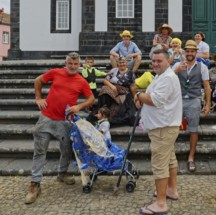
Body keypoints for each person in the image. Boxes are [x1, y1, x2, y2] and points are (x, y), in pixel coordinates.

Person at [25, 52, 95, 204]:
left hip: (65, 121)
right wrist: (38, 98)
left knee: (66, 150)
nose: (73, 66)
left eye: (76, 64)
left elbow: (91, 98)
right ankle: (35, 184)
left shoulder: (81, 81)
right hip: (46, 119)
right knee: (40, 151)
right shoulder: (56, 72)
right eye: (70, 63)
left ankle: (62, 173)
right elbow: (38, 80)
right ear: (66, 63)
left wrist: (79, 106)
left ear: (79, 65)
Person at [135, 49, 182, 215]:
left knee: (159, 164)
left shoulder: (168, 78)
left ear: (168, 60)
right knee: (169, 159)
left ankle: (161, 203)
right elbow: (152, 94)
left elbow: (155, 100)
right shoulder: (161, 76)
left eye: (159, 60)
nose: (155, 63)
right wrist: (142, 95)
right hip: (164, 126)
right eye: (153, 61)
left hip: (163, 127)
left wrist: (139, 95)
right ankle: (171, 190)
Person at [172, 40, 211, 172]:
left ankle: (191, 157)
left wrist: (208, 104)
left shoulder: (202, 67)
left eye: (192, 51)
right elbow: (167, 79)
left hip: (194, 100)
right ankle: (171, 157)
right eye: (187, 51)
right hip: (178, 99)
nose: (189, 53)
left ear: (196, 52)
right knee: (173, 128)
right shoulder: (177, 64)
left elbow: (206, 86)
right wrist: (177, 70)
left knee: (193, 130)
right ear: (184, 52)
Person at [97, 56, 137, 125]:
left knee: (119, 110)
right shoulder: (113, 70)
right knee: (104, 89)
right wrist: (112, 86)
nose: (122, 64)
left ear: (126, 63)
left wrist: (134, 97)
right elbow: (105, 80)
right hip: (112, 90)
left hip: (123, 93)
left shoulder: (131, 73)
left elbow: (133, 86)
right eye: (120, 62)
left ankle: (109, 118)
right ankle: (104, 109)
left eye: (123, 62)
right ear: (117, 63)